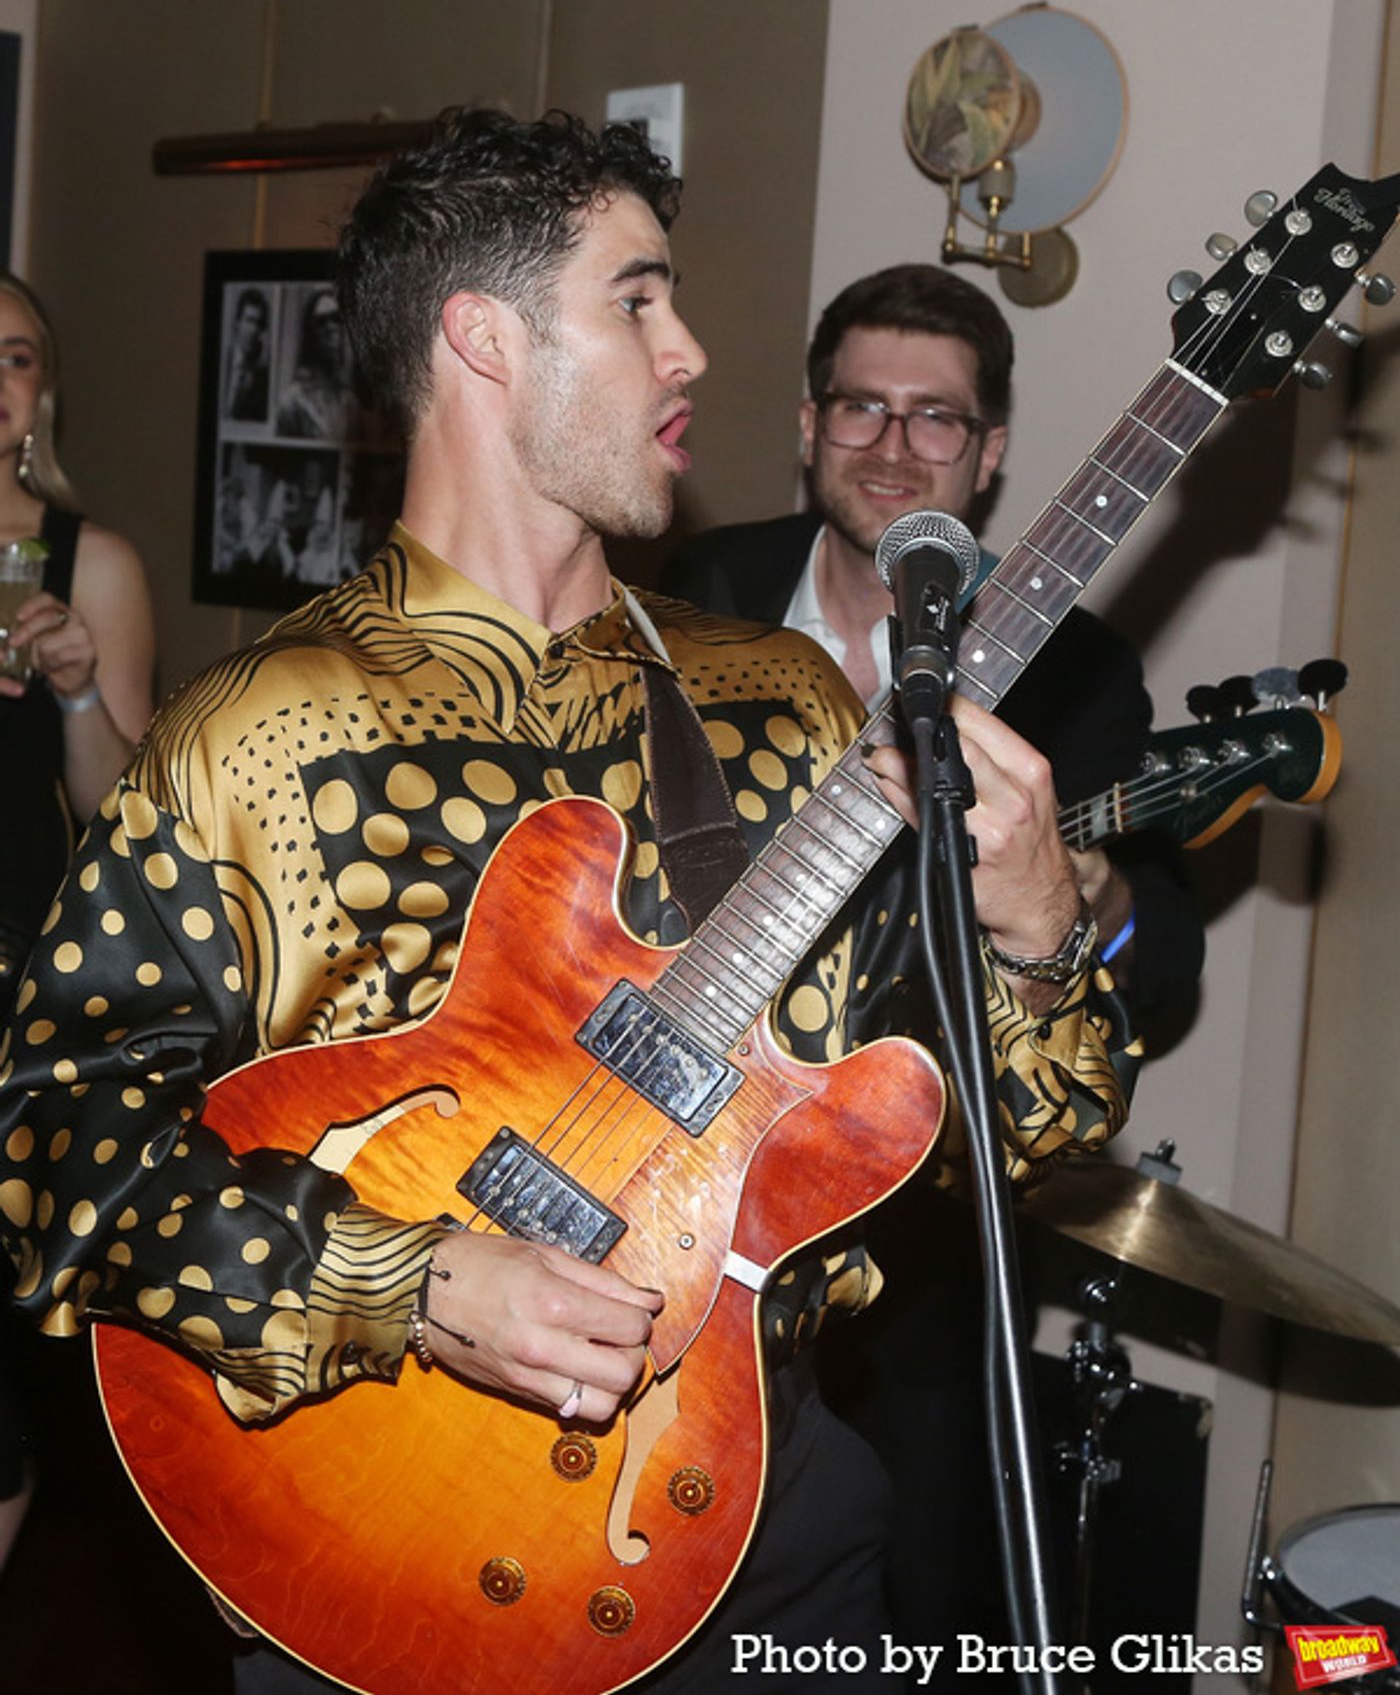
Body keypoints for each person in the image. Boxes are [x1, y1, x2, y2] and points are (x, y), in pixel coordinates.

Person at [0, 114, 1133, 1692]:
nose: (692, 349)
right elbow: (56, 1149)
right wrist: (415, 1280)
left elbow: (1009, 1143)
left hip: (771, 1511)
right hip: (376, 1534)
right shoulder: (257, 731)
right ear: (483, 338)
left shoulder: (783, 705)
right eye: (638, 300)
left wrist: (1037, 931)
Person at [662, 262, 1205, 1656]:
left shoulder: (1081, 670)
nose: (894, 444)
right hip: (665, 1176)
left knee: (903, 1606)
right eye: (862, 405)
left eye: (938, 418)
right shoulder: (683, 599)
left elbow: (1165, 960)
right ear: (805, 422)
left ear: (992, 450)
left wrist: (1078, 894)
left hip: (918, 1229)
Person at [0, 269, 156, 1575]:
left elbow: (121, 813)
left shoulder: (82, 560)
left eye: (13, 357)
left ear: (39, 391)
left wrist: (73, 690)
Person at [275, 287, 353, 440]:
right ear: (310, 332)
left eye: (335, 319)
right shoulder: (292, 402)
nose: (331, 328)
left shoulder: (350, 402)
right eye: (322, 321)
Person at [221, 286, 271, 423]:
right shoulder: (222, 361)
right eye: (249, 320)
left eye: (259, 323)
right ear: (238, 322)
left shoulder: (263, 376)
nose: (254, 330)